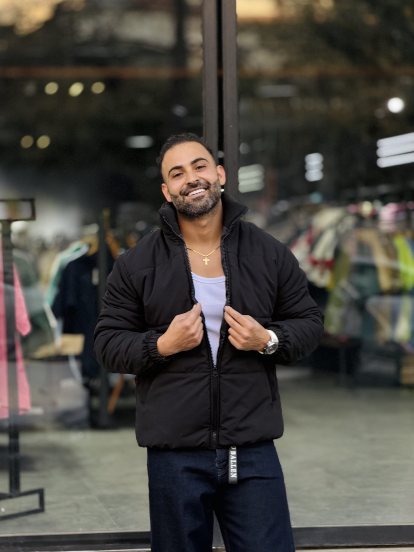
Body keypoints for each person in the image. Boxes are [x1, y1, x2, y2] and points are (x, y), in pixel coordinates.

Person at [94, 133, 324, 552]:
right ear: (167, 191)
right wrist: (163, 345)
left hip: (251, 447)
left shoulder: (269, 253)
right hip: (174, 453)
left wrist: (268, 339)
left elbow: (309, 322)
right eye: (177, 173)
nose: (191, 178)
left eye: (199, 166)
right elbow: (108, 343)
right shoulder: (136, 264)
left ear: (219, 174)